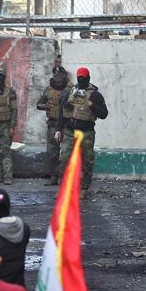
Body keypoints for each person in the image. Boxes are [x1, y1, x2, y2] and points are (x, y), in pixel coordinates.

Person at [55, 66, 108, 197]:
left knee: (87, 161)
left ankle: (84, 188)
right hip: (69, 131)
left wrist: (90, 104)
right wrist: (58, 130)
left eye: (83, 78)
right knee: (64, 160)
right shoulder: (70, 93)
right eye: (79, 78)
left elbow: (104, 114)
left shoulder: (95, 95)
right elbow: (62, 112)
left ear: (88, 78)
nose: (81, 80)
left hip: (86, 133)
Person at [37, 67, 72, 184]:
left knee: (67, 153)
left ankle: (67, 177)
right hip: (52, 124)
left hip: (66, 125)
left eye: (59, 73)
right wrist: (46, 105)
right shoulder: (48, 89)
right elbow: (39, 104)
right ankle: (54, 176)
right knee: (52, 153)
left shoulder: (71, 89)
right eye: (55, 73)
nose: (57, 75)